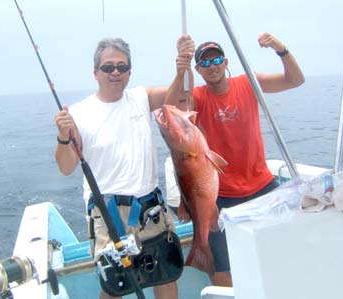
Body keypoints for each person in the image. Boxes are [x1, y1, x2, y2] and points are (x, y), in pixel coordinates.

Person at [55, 36, 194, 299]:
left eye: (122, 67)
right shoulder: (79, 113)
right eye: (108, 67)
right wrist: (63, 136)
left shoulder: (141, 97)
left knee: (166, 276)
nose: (115, 72)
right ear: (95, 72)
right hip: (109, 214)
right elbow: (66, 166)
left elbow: (182, 96)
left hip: (150, 206)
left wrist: (182, 67)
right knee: (115, 286)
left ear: (130, 72)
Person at [170, 32, 305, 287]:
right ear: (198, 69)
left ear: (226, 62)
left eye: (216, 59)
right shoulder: (196, 97)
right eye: (205, 63)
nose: (213, 66)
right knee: (221, 270)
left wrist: (281, 48)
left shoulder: (249, 83)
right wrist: (181, 70)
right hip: (219, 193)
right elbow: (170, 109)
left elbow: (295, 80)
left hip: (262, 186)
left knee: (289, 246)